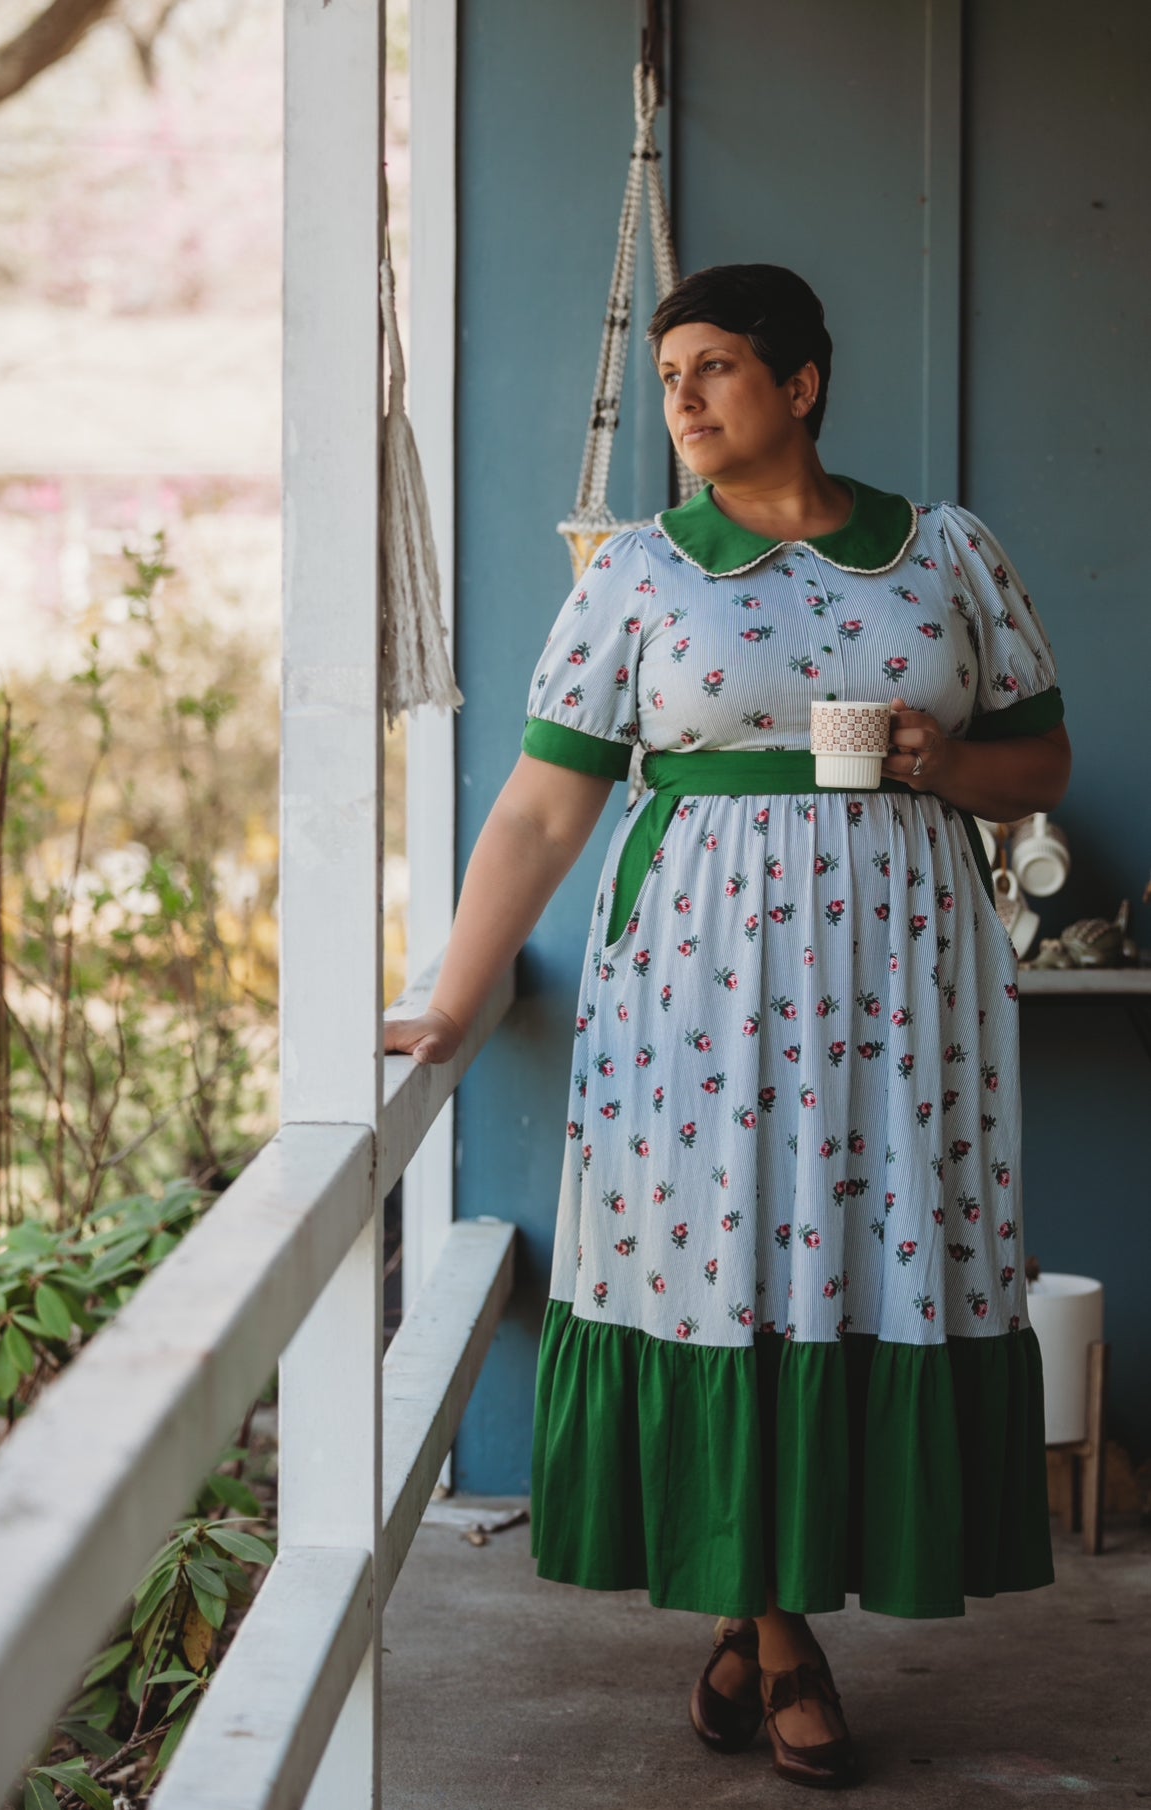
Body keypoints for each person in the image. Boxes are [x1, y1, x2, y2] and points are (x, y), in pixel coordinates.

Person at [385, 263, 1071, 1789]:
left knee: (849, 1268)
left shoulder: (944, 553)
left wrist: (948, 766)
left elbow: (1041, 762)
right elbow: (548, 804)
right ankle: (783, 1638)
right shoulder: (635, 575)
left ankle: (743, 1616)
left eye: (714, 369)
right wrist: (453, 989)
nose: (682, 400)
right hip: (694, 995)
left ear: (803, 382)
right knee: (725, 1271)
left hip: (908, 996)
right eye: (670, 371)